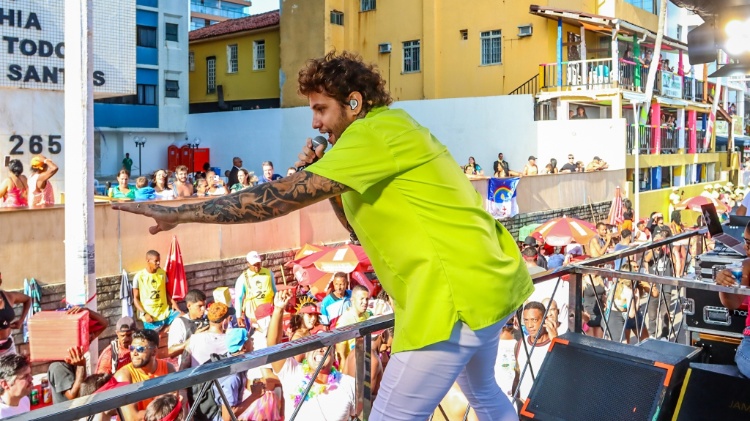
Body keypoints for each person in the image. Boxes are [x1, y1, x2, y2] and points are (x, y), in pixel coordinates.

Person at [114, 50, 532, 421]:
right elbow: (353, 227)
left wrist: (181, 213)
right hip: (484, 286)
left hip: (451, 301)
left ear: (354, 103)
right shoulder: (389, 129)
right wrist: (325, 174)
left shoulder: (371, 135)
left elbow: (273, 200)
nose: (314, 121)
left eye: (321, 109)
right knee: (484, 394)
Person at [269, 290, 358, 420]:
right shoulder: (293, 374)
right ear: (306, 354)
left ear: (333, 354)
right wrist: (278, 310)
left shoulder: (348, 384)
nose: (320, 349)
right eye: (314, 346)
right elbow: (273, 348)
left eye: (325, 346)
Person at [115, 329, 176, 421]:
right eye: (132, 348)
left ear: (154, 352)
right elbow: (132, 418)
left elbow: (175, 405)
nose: (134, 353)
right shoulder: (123, 376)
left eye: (140, 349)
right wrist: (162, 413)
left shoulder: (168, 369)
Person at [714, 220, 750, 378]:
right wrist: (723, 283)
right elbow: (732, 303)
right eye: (745, 241)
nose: (744, 246)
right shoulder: (747, 267)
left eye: (748, 242)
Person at [133, 250, 181, 331]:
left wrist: (173, 303)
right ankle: (159, 334)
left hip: (164, 312)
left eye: (159, 261)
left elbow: (165, 291)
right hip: (150, 315)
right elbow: (135, 298)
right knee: (154, 340)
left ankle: (161, 332)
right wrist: (144, 314)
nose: (158, 263)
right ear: (148, 261)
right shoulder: (139, 276)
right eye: (156, 261)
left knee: (182, 317)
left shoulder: (162, 273)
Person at [167, 289, 208, 367]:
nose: (203, 309)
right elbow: (171, 352)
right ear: (189, 306)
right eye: (200, 306)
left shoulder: (208, 318)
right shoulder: (179, 323)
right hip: (190, 368)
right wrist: (194, 339)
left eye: (204, 305)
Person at [0, 275, 31, 357]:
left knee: (14, 369)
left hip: (8, 347)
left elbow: (27, 299)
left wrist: (21, 320)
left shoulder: (7, 297)